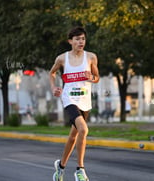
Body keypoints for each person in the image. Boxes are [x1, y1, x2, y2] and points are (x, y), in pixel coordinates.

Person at [49, 27, 99, 181]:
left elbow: (97, 77)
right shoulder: (62, 59)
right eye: (77, 39)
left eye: (83, 39)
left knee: (73, 136)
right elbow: (51, 73)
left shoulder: (91, 57)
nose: (80, 42)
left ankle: (61, 166)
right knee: (83, 129)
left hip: (84, 100)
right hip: (69, 99)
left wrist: (91, 77)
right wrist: (53, 88)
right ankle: (80, 169)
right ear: (70, 41)